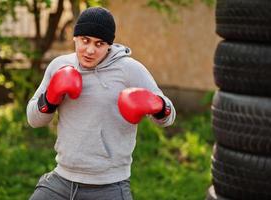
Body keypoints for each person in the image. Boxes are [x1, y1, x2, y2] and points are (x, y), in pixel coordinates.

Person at [27, 6, 176, 200]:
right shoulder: (59, 66)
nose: (90, 50)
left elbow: (168, 117)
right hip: (61, 180)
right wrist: (50, 98)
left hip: (108, 186)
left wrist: (157, 105)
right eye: (85, 40)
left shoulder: (130, 70)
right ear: (75, 37)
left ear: (109, 45)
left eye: (99, 44)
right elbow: (33, 119)